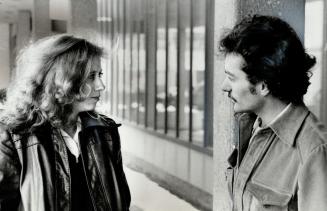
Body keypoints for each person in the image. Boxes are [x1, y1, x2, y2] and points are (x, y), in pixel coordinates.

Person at [0, 35, 131, 211]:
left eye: (99, 74)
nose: (101, 86)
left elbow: (121, 200)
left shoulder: (105, 131)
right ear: (60, 80)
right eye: (91, 76)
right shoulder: (13, 135)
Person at [220, 15, 327, 211]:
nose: (224, 87)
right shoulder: (249, 126)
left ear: (263, 85)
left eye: (231, 78)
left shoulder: (313, 151)